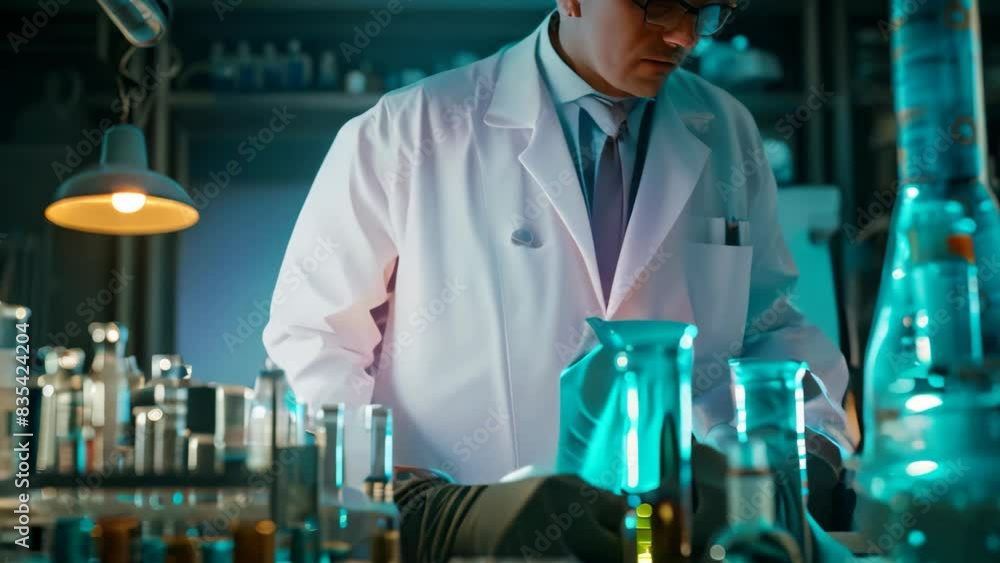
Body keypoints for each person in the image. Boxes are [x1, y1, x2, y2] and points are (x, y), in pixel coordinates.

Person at [264, 0, 857, 559]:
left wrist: (812, 451)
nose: (685, 36)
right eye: (657, 4)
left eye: (707, 9)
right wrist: (419, 505)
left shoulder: (727, 128)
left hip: (669, 537)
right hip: (467, 545)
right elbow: (312, 339)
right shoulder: (407, 129)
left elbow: (769, 327)